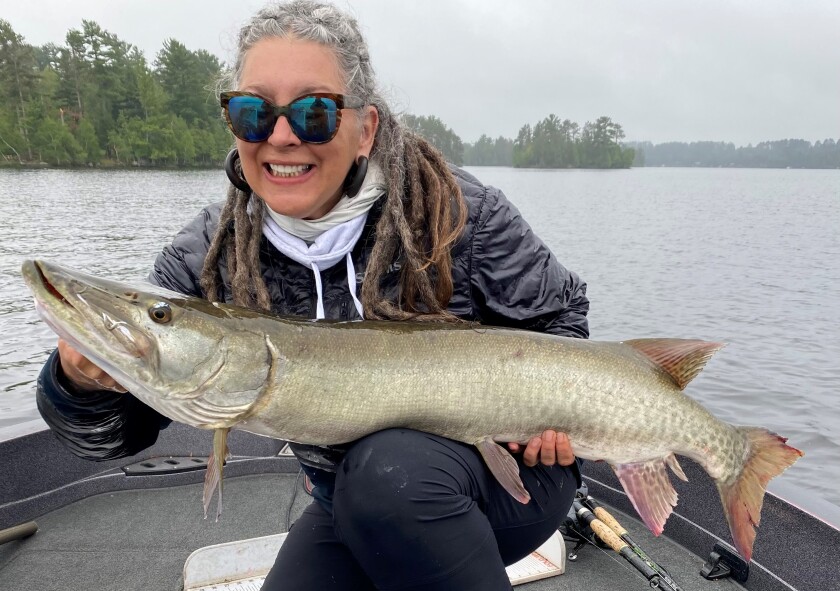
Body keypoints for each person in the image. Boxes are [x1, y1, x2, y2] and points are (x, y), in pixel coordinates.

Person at [35, 1, 590, 589]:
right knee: (369, 498)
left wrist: (548, 418)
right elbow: (117, 435)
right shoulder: (206, 255)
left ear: (365, 129)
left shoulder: (460, 214)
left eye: (315, 112)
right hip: (346, 496)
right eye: (253, 112)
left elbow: (562, 324)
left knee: (390, 479)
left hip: (512, 481)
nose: (281, 136)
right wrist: (79, 383)